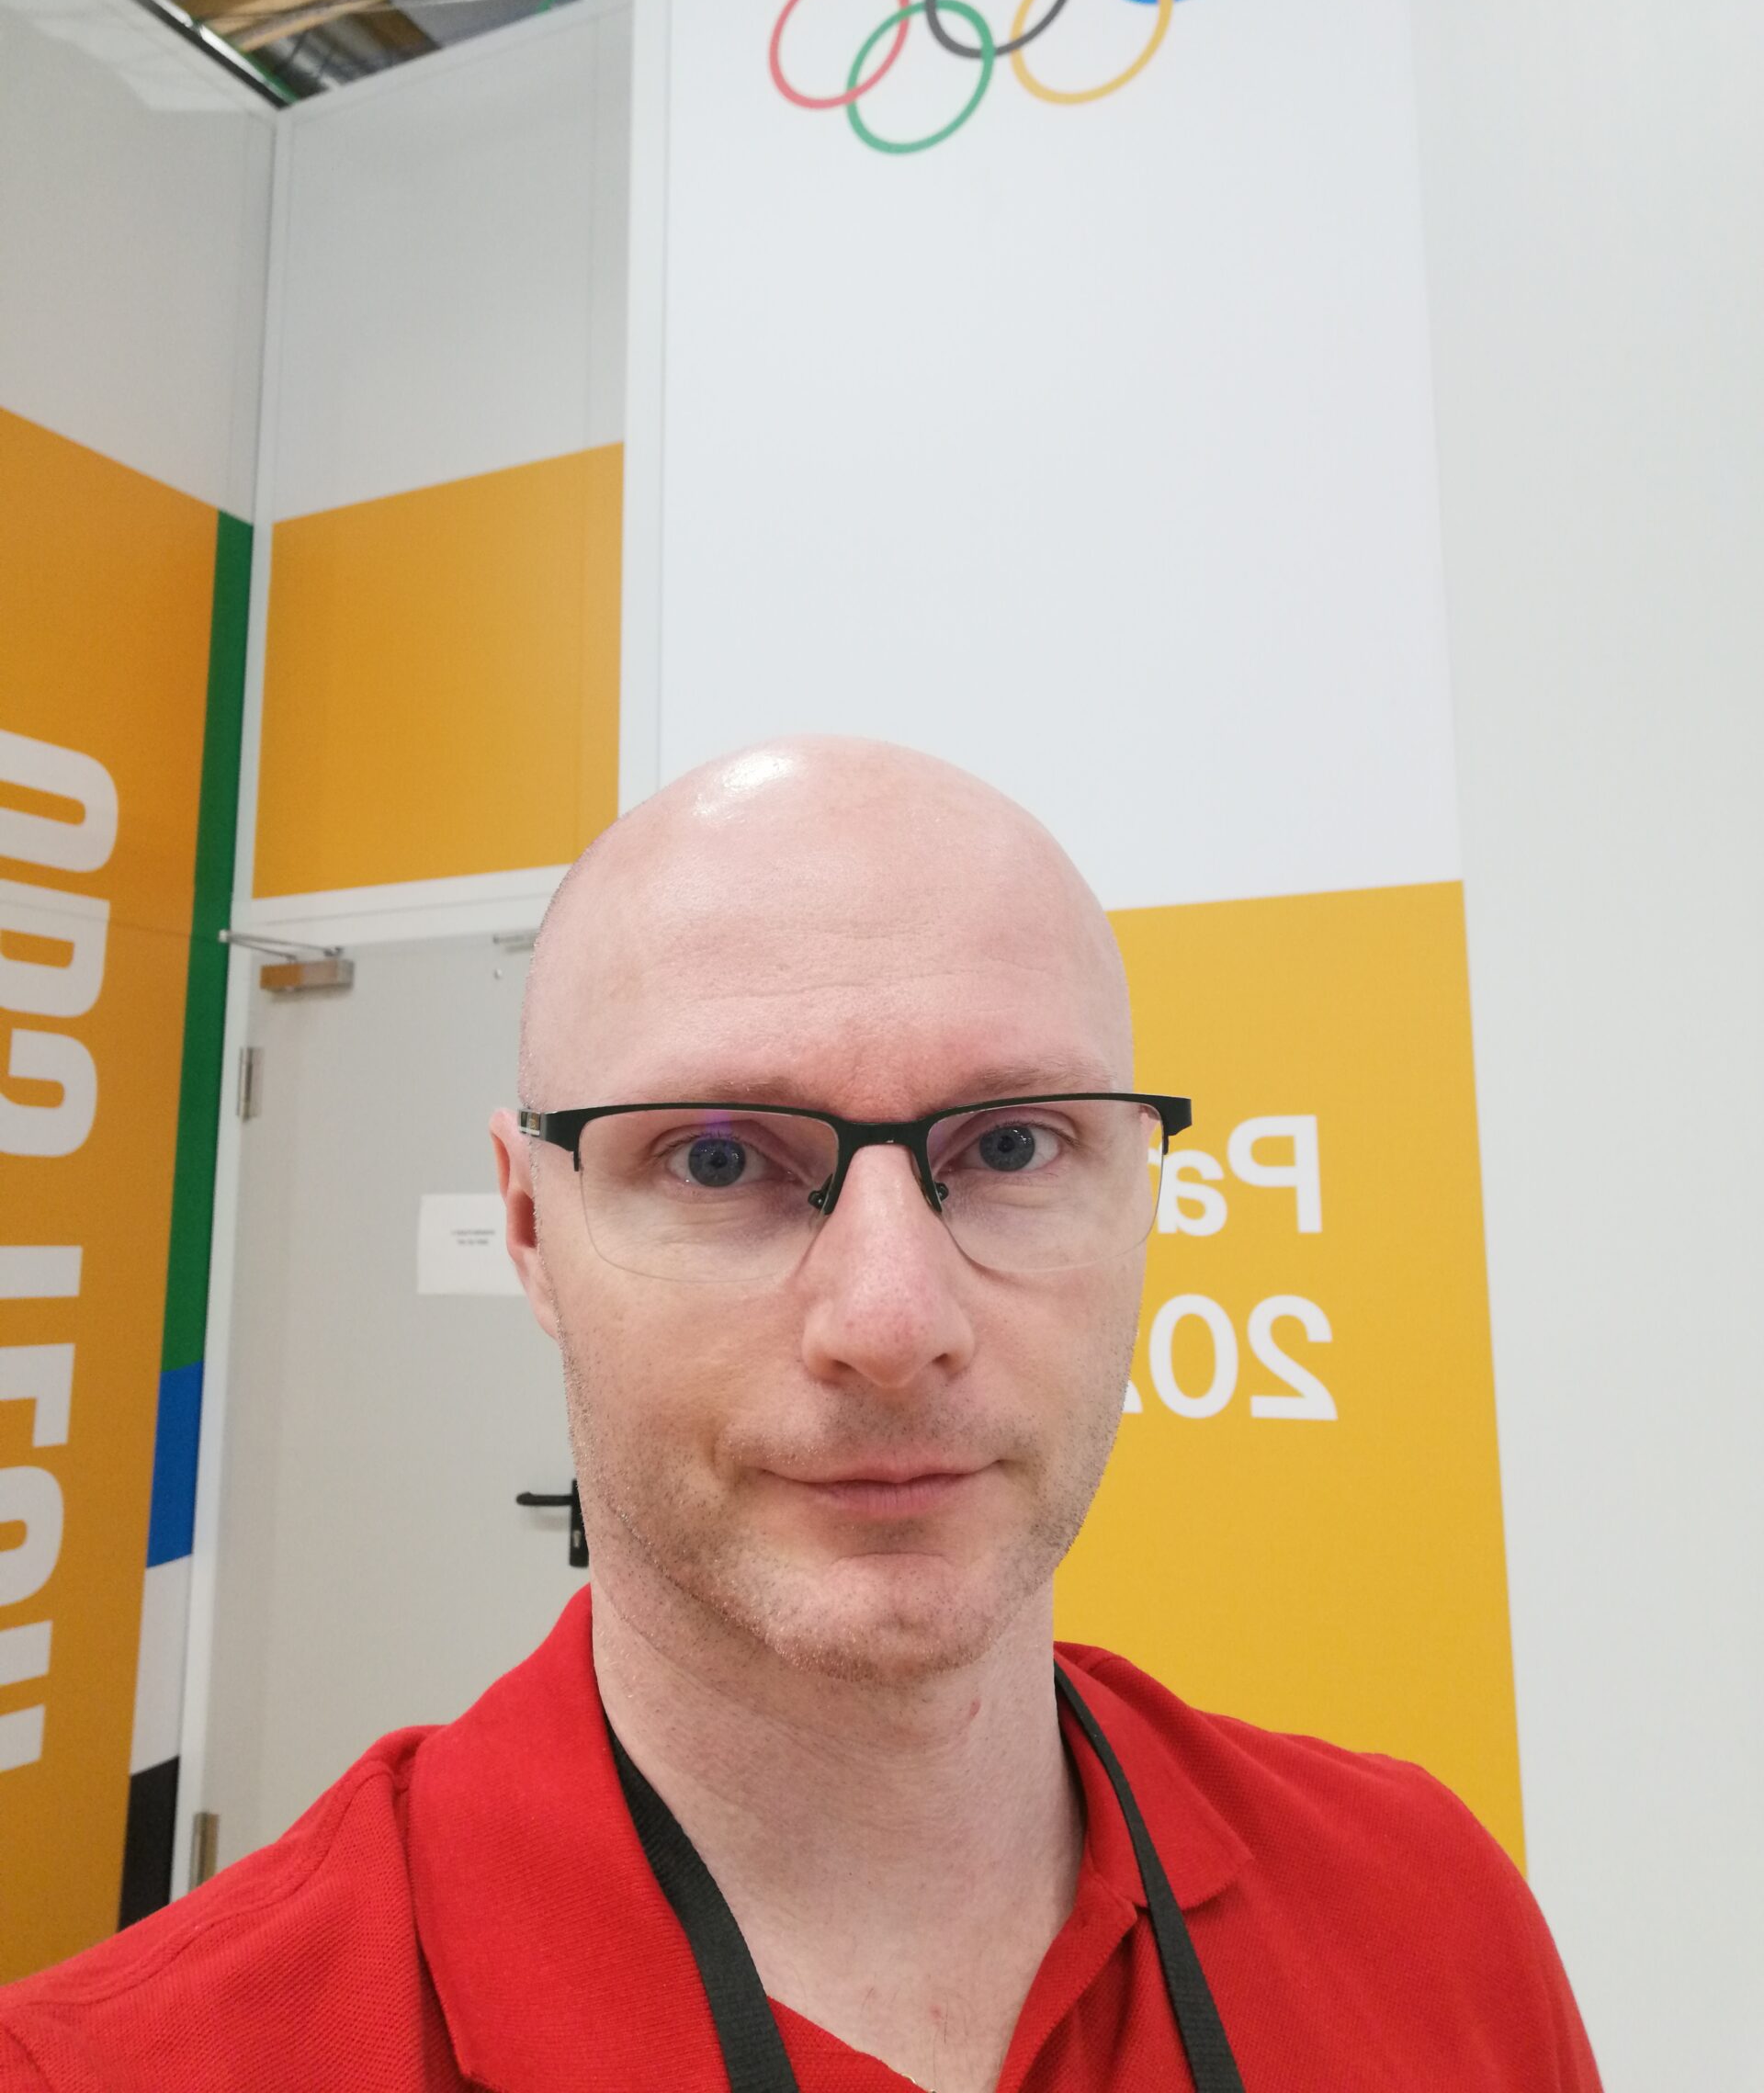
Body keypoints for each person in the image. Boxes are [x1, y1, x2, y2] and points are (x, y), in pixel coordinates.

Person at [0, 740, 1601, 2091]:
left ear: (1140, 1193)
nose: (893, 1325)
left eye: (1014, 1146)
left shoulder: (1431, 1914)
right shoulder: (129, 2064)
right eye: (717, 1159)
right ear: (533, 1226)